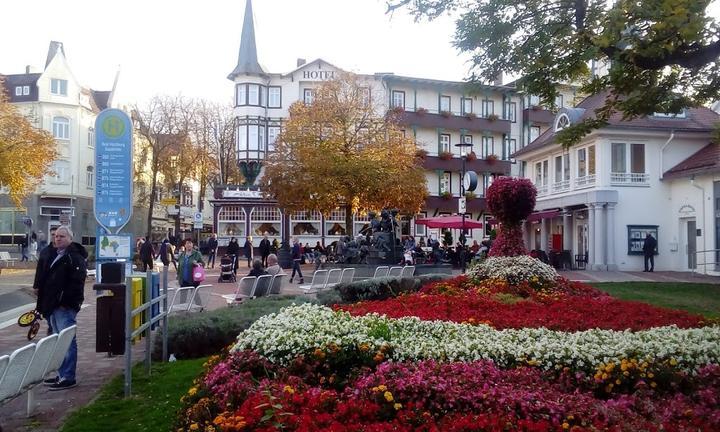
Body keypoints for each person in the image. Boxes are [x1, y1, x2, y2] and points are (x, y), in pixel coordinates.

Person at [34, 226, 86, 391]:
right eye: (56, 236)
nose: (57, 239)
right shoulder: (54, 255)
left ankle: (68, 376)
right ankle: (62, 373)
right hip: (52, 306)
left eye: (62, 236)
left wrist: (66, 302)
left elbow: (77, 282)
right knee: (58, 341)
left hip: (64, 307)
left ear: (70, 238)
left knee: (68, 341)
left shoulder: (73, 257)